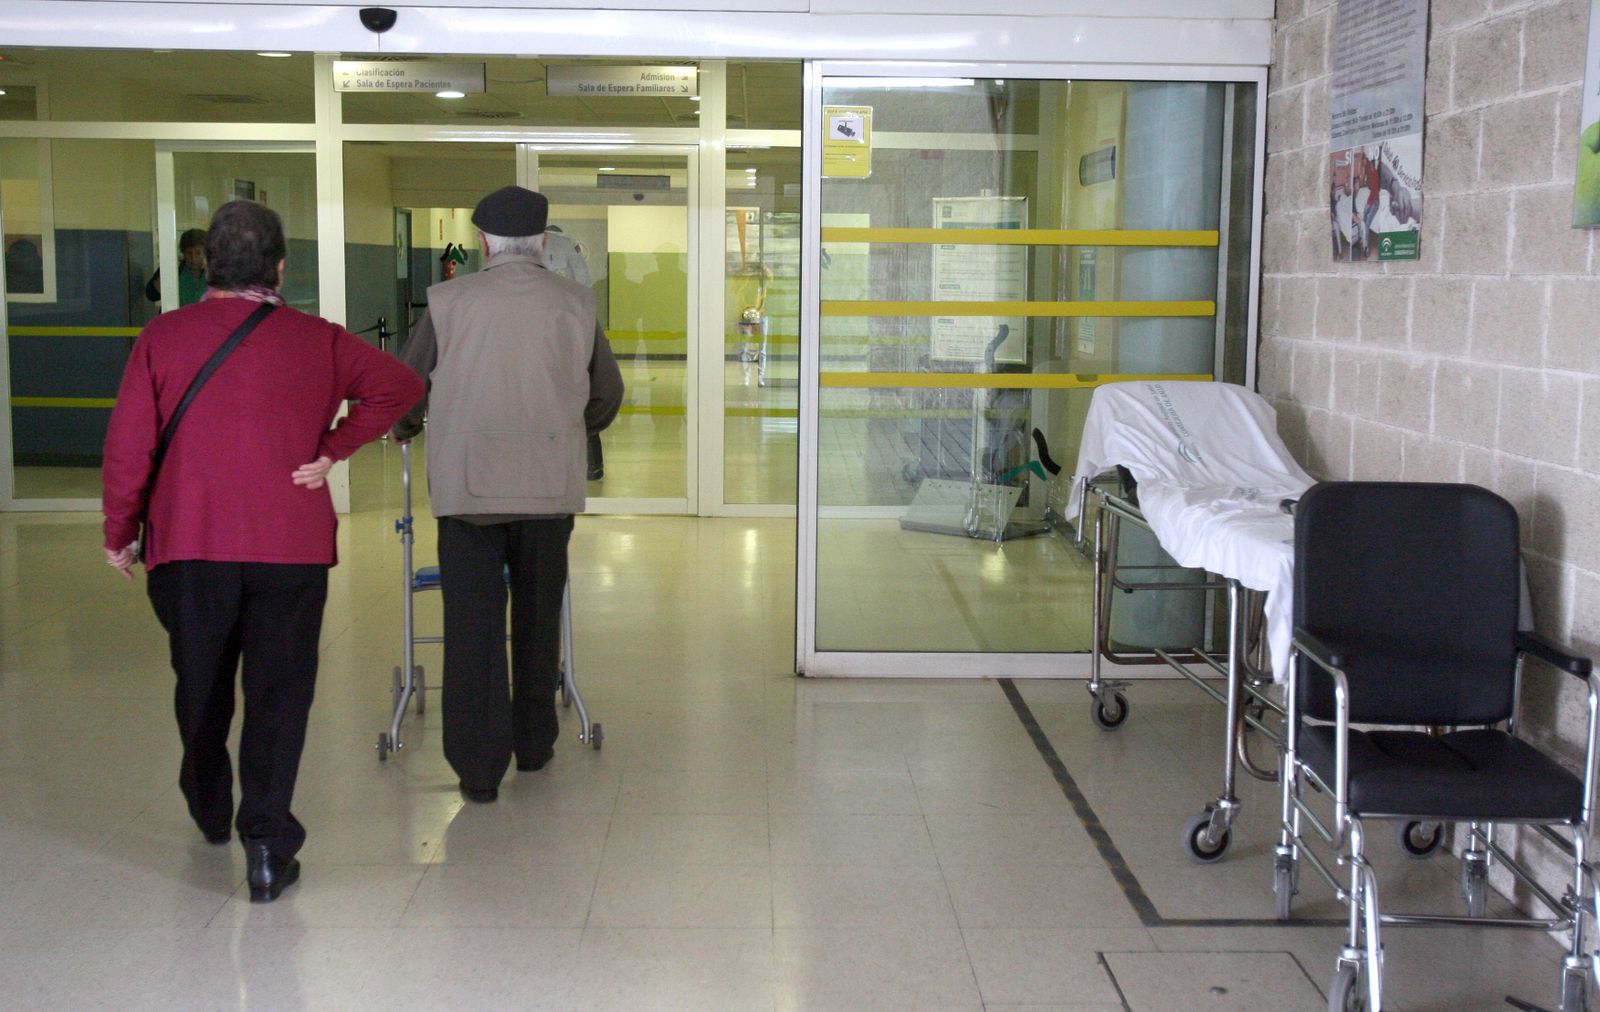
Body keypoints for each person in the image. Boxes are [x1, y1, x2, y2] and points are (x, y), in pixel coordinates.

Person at [101, 200, 423, 902]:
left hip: (189, 547)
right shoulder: (320, 340)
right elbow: (402, 386)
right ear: (280, 266)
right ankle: (270, 847)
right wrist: (331, 450)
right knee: (279, 695)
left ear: (205, 264)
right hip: (291, 550)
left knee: (201, 683)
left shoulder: (163, 336)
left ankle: (209, 804)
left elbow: (129, 446)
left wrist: (120, 531)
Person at [392, 185, 623, 804]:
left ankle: (477, 767)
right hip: (548, 488)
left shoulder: (445, 300)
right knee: (537, 616)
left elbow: (405, 390)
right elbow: (606, 394)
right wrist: (567, 428)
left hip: (468, 492)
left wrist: (407, 426)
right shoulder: (576, 303)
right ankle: (534, 744)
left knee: (472, 626)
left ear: (484, 243)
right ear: (543, 242)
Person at [541, 224, 607, 481]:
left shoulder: (531, 254)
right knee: (579, 403)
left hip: (543, 344)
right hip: (573, 341)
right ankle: (593, 466)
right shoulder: (572, 253)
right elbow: (585, 293)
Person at [144, 227, 209, 307]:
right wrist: (168, 268)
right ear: (183, 253)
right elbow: (152, 295)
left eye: (198, 253)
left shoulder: (213, 272)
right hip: (176, 317)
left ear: (206, 253)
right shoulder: (174, 268)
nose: (193, 259)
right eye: (189, 253)